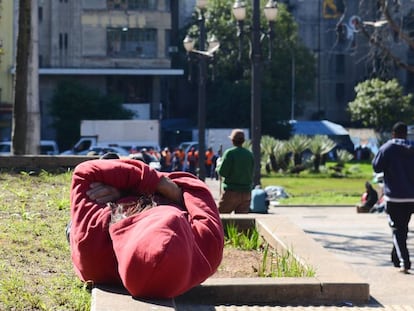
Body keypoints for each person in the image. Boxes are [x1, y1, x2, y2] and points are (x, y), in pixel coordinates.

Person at [68, 157, 224, 298]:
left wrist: (149, 186)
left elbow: (86, 171)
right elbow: (197, 190)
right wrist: (167, 190)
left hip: (98, 216)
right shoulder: (207, 250)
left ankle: (121, 164)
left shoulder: (93, 246)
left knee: (73, 227)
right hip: (133, 200)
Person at [372, 121, 414, 274]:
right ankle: (395, 258)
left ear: (393, 133)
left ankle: (405, 261)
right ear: (405, 133)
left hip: (394, 196)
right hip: (411, 197)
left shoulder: (388, 147)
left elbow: (376, 166)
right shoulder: (412, 145)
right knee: (402, 228)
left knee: (397, 229)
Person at [216, 129, 254, 214]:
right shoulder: (249, 154)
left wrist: (218, 165)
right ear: (243, 141)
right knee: (242, 223)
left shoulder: (229, 153)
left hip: (231, 192)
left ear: (232, 140)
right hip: (246, 192)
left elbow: (222, 172)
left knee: (220, 218)